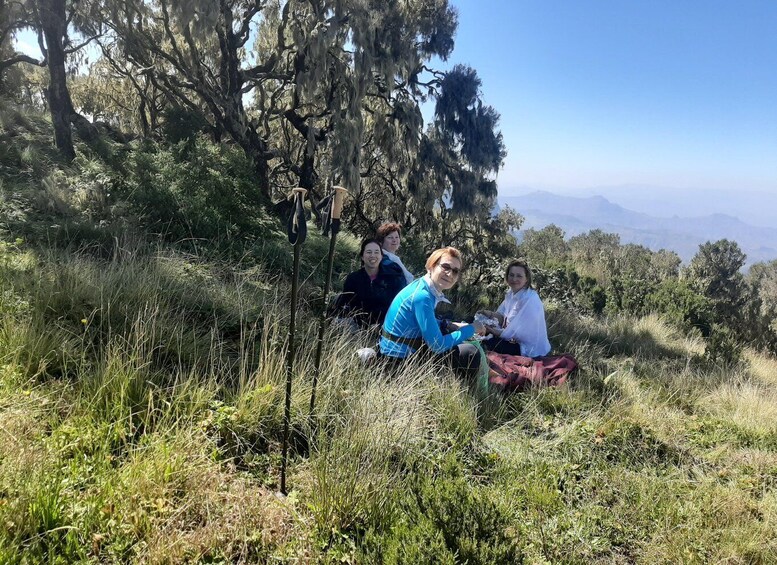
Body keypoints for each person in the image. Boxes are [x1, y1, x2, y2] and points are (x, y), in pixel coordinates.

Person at [380, 247, 485, 376]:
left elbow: (427, 323)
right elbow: (437, 345)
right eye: (445, 267)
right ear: (431, 266)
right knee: (469, 352)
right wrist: (471, 328)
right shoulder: (422, 296)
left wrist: (450, 325)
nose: (450, 274)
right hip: (396, 361)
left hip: (399, 348)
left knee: (456, 338)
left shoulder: (423, 287)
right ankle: (464, 392)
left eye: (455, 271)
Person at [479, 259, 551, 358]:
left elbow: (517, 334)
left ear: (526, 279)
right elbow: (503, 317)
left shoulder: (529, 299)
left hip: (527, 347)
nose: (514, 279)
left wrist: (491, 331)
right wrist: (489, 314)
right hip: (509, 337)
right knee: (476, 325)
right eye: (511, 275)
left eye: (519, 276)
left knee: (489, 343)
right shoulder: (511, 294)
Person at [334, 239, 405, 328]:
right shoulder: (353, 279)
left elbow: (399, 305)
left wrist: (381, 325)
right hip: (358, 327)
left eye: (376, 252)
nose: (373, 255)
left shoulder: (393, 277)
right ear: (362, 256)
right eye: (368, 252)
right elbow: (345, 304)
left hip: (387, 328)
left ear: (381, 256)